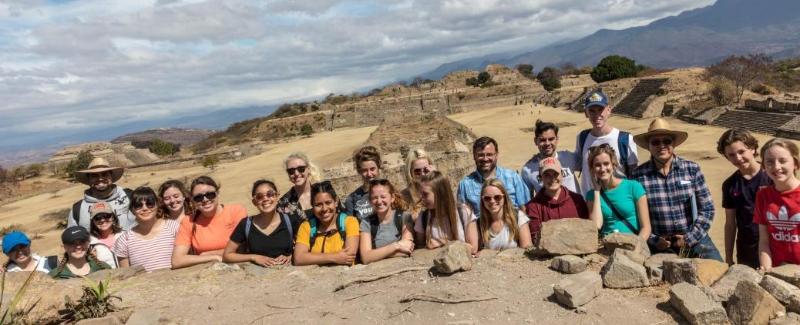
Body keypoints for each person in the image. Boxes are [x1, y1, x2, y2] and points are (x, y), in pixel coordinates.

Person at [632, 118, 721, 260]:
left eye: (666, 141)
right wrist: (654, 240)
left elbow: (707, 209)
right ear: (649, 145)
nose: (661, 146)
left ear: (673, 144)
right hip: (659, 245)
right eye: (655, 142)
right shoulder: (638, 176)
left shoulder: (692, 169)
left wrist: (688, 238)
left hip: (695, 239)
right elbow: (635, 217)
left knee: (720, 273)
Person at [717, 129, 771, 268]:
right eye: (731, 155)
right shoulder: (729, 185)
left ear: (752, 148)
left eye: (741, 152)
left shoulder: (772, 177)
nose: (738, 158)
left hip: (774, 246)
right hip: (746, 249)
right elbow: (730, 223)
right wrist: (728, 257)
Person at [172, 176, 247, 269]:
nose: (205, 200)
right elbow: (177, 260)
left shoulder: (235, 211)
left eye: (210, 194)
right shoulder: (188, 221)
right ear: (192, 200)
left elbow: (242, 248)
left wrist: (207, 253)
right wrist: (213, 257)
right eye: (198, 197)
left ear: (217, 193)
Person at [575, 90, 639, 198]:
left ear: (609, 110)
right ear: (586, 113)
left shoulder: (625, 139)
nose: (597, 115)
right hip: (590, 203)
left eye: (600, 109)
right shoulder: (582, 138)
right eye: (592, 110)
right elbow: (573, 162)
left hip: (619, 202)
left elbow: (634, 177)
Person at [223, 180, 300, 267]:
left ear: (277, 196)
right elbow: (227, 255)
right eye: (259, 197)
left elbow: (307, 247)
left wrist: (292, 256)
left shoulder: (290, 220)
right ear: (254, 202)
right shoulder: (245, 224)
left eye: (270, 194)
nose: (265, 199)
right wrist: (254, 257)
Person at [585, 144, 651, 240]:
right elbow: (597, 225)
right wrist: (596, 190)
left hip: (634, 243)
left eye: (606, 163)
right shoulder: (591, 195)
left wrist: (637, 246)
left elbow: (646, 227)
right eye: (597, 165)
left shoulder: (633, 186)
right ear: (592, 169)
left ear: (614, 164)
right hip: (608, 246)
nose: (603, 169)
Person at [755, 138, 800, 271]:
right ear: (763, 166)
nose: (776, 167)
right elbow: (764, 240)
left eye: (782, 161)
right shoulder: (763, 195)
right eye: (769, 162)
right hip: (777, 270)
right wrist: (767, 271)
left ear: (795, 164)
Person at [458, 136, 530, 217]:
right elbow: (464, 218)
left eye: (489, 154)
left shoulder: (513, 178)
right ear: (474, 156)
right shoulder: (465, 185)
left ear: (496, 155)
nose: (485, 159)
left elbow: (524, 209)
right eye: (481, 155)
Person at [114, 187, 180, 272]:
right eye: (138, 205)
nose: (145, 208)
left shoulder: (173, 227)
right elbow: (125, 274)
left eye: (150, 204)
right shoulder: (124, 240)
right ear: (132, 210)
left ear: (157, 204)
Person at [293, 181, 360, 266]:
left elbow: (349, 256)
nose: (324, 209)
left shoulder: (349, 222)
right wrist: (334, 257)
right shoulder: (307, 227)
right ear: (312, 207)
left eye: (328, 203)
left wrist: (311, 257)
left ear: (336, 202)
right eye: (318, 205)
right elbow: (299, 258)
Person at [525, 157, 590, 243]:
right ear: (540, 178)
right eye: (547, 175)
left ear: (562, 174)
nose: (552, 179)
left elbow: (586, 230)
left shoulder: (577, 200)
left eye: (555, 174)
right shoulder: (533, 207)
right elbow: (536, 238)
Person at [66, 157, 136, 231]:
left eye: (104, 174)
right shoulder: (78, 208)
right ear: (88, 179)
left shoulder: (130, 196)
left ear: (111, 176)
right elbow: (73, 238)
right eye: (94, 175)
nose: (100, 178)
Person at [414, 171, 478, 250]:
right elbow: (420, 247)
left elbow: (473, 248)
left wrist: (443, 243)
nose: (421, 198)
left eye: (425, 194)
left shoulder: (463, 212)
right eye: (421, 194)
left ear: (440, 193)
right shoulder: (424, 217)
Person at [358, 179, 415, 264]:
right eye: (374, 198)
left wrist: (376, 255)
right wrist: (396, 246)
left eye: (383, 197)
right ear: (370, 201)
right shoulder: (366, 223)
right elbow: (365, 257)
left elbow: (407, 249)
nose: (379, 201)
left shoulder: (404, 217)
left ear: (392, 198)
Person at [521, 120, 580, 195]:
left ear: (557, 139)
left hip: (576, 206)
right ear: (536, 141)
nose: (547, 143)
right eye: (542, 140)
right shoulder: (528, 170)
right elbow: (528, 199)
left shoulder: (569, 157)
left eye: (551, 139)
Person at [475, 179, 533, 250]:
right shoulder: (479, 224)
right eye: (487, 198)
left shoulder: (518, 217)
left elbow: (527, 248)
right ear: (482, 201)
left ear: (504, 198)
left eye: (497, 197)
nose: (492, 201)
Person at [278, 152, 323, 221]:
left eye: (301, 169)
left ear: (308, 169)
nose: (296, 173)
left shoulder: (323, 190)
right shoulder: (283, 203)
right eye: (291, 171)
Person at [344, 146, 382, 220]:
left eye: (372, 169)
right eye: (365, 170)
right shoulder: (352, 199)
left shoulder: (391, 192)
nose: (369, 174)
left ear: (379, 166)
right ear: (359, 171)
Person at [400, 148, 436, 214]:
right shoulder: (403, 197)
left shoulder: (439, 190)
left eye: (426, 169)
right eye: (417, 171)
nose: (422, 174)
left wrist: (436, 177)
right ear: (410, 172)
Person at [86, 202, 120, 268]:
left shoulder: (125, 236)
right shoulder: (88, 243)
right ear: (93, 221)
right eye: (97, 217)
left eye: (106, 216)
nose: (102, 220)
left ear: (113, 217)